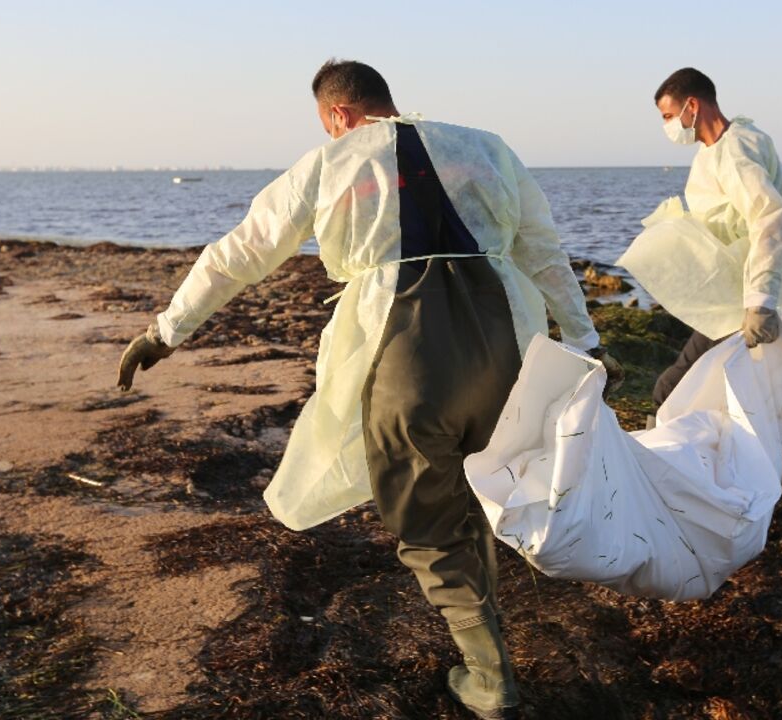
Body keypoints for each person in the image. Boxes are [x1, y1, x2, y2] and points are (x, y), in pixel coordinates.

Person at [116, 59, 622, 720]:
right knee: (478, 493)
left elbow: (241, 250)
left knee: (427, 522)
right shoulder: (485, 146)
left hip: (406, 351)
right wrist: (584, 339)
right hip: (508, 347)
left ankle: (489, 678)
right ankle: (486, 636)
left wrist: (167, 330)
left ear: (338, 116)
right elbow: (545, 250)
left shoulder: (331, 162)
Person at [650, 67, 782, 543]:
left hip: (746, 303)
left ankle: (666, 495)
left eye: (670, 115)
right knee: (757, 404)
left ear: (693, 105)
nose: (669, 127)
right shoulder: (719, 149)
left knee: (674, 392)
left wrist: (759, 302)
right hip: (729, 298)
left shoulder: (735, 152)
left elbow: (770, 221)